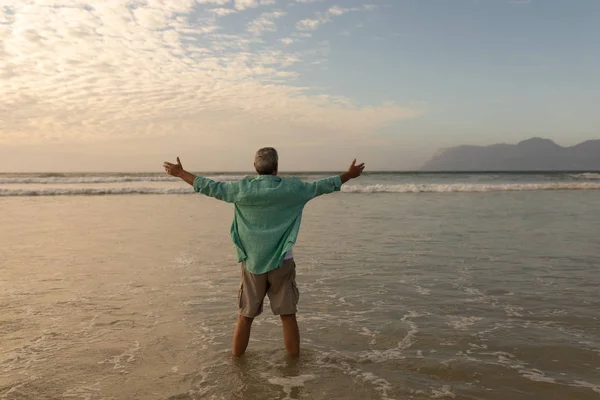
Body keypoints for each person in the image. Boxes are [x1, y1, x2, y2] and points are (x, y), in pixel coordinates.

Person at [163, 147, 365, 357]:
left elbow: (209, 187)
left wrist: (180, 173)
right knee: (287, 315)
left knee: (245, 316)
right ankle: (293, 370)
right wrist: (349, 175)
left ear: (255, 168)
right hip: (282, 261)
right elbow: (321, 186)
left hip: (252, 263)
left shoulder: (242, 190)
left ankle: (237, 364)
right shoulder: (293, 190)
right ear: (276, 168)